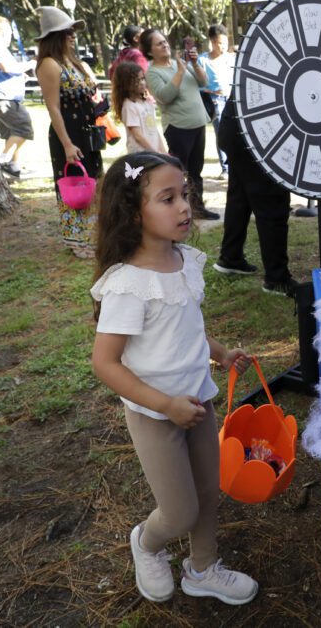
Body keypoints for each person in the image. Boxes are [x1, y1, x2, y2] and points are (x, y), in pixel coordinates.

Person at [90, 151, 260, 606]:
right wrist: (165, 406)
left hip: (197, 401)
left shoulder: (184, 262)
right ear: (133, 211)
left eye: (184, 194)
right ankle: (146, 542)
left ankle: (203, 568)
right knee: (180, 510)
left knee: (208, 489)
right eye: (168, 199)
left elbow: (187, 328)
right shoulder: (127, 284)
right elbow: (105, 363)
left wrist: (221, 354)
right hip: (155, 413)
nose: (185, 206)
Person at [212, 96, 298, 297]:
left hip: (236, 129)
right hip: (257, 133)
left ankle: (230, 257)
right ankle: (276, 279)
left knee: (239, 198)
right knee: (272, 201)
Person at [35, 6, 103, 259]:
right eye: (68, 32)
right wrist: (66, 144)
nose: (73, 36)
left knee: (93, 181)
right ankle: (76, 239)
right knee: (74, 186)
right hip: (69, 133)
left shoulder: (74, 63)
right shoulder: (49, 65)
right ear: (56, 36)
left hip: (87, 132)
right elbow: (53, 107)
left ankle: (92, 234)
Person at [141, 28, 219, 220]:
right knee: (179, 173)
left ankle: (197, 208)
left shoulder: (181, 63)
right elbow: (165, 96)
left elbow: (204, 82)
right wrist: (180, 72)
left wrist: (194, 63)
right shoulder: (152, 73)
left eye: (165, 41)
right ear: (150, 51)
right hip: (178, 128)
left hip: (198, 124)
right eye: (159, 43)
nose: (165, 45)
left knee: (196, 171)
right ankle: (178, 210)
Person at [0, 16, 34, 177]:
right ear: (5, 31)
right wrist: (30, 65)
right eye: (10, 33)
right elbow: (6, 66)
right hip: (4, 97)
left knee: (11, 133)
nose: (11, 37)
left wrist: (18, 75)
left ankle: (14, 166)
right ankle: (1, 162)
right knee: (23, 128)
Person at [199, 24, 234, 179]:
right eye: (220, 43)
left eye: (226, 43)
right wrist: (211, 91)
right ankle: (225, 167)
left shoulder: (232, 58)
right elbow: (197, 84)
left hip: (232, 99)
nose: (224, 47)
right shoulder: (202, 61)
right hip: (215, 101)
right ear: (212, 42)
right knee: (222, 133)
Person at [111, 61, 167, 154]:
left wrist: (164, 152)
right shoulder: (129, 106)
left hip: (154, 153)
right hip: (141, 155)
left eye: (142, 79)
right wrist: (155, 152)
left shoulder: (147, 102)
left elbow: (154, 130)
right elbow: (138, 136)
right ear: (125, 84)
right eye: (137, 80)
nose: (142, 83)